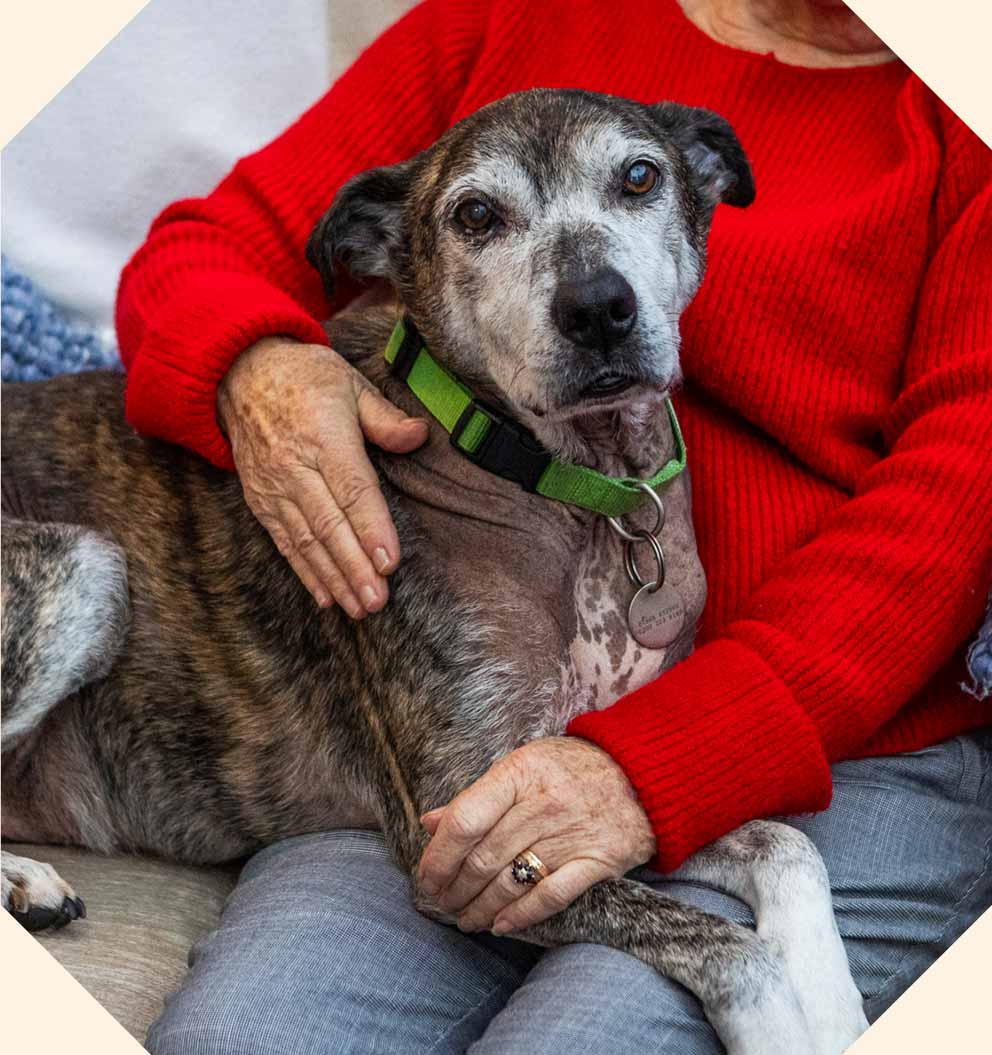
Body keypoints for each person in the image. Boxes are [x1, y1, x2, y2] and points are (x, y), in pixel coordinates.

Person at [112, 0, 991, 1051]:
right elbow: (206, 250)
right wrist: (256, 367)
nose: (591, 293)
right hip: (470, 719)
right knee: (249, 1033)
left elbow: (950, 511)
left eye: (632, 182)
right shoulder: (505, 15)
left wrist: (652, 764)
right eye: (486, 221)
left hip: (838, 746)